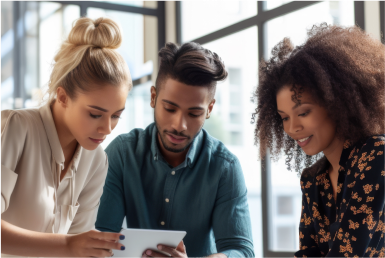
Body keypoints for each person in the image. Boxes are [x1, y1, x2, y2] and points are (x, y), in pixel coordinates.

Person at [96, 42, 254, 258]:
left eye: (194, 113)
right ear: (153, 97)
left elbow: (242, 251)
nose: (180, 125)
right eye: (170, 108)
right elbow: (102, 237)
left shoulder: (224, 167)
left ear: (209, 109)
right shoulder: (122, 154)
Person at [0, 17, 132, 258]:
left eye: (116, 116)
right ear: (62, 97)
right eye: (95, 114)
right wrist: (68, 245)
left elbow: (80, 247)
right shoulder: (16, 127)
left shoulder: (96, 160)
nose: (107, 128)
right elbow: (71, 246)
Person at [253, 23, 385, 257]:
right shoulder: (313, 180)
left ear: (337, 104)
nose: (293, 128)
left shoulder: (376, 156)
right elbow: (309, 252)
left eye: (303, 112)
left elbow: (349, 251)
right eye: (284, 118)